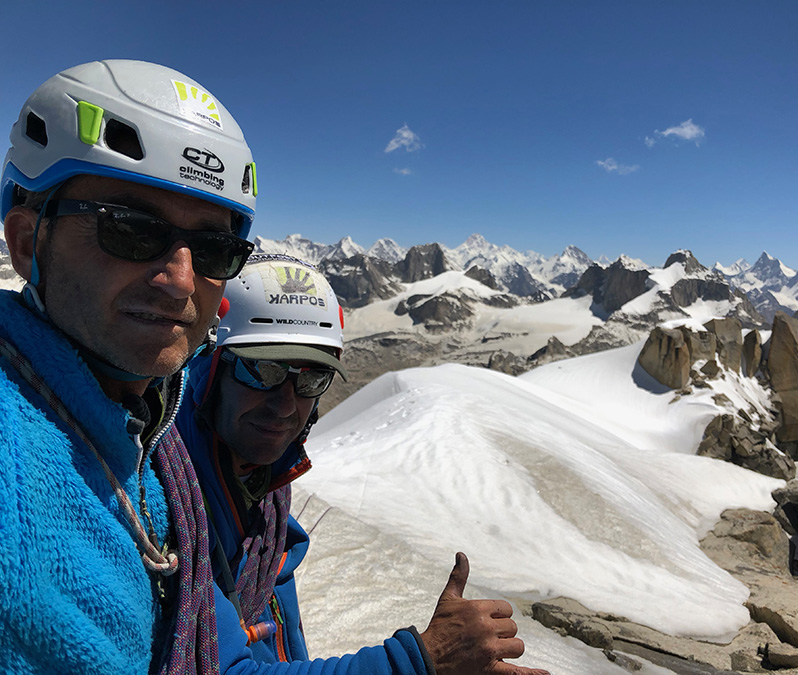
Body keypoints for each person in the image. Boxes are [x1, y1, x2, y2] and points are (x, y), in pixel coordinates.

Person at [0, 59, 258, 674]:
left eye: (217, 248)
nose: (181, 283)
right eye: (133, 230)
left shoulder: (144, 437)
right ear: (26, 241)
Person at [179, 254, 550, 674]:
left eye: (312, 379)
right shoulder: (166, 493)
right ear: (213, 364)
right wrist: (422, 662)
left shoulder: (261, 481)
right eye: (263, 370)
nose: (286, 405)